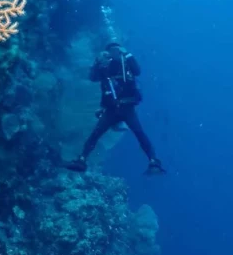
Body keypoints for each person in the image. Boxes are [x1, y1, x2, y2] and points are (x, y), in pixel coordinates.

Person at [65, 42, 165, 175]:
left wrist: (127, 54)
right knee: (96, 134)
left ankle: (153, 160)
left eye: (116, 51)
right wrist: (97, 61)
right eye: (110, 52)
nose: (113, 54)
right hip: (111, 108)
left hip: (127, 107)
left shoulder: (127, 64)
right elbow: (93, 78)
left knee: (139, 133)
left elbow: (138, 71)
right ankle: (82, 160)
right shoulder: (105, 66)